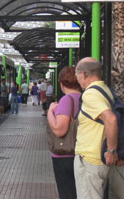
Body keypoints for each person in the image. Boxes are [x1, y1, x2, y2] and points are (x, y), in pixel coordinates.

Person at [74, 57, 121, 199]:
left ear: (83, 74)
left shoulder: (91, 94)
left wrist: (111, 151)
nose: (77, 80)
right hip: (97, 159)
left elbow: (111, 119)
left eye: (77, 75)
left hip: (91, 160)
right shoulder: (105, 90)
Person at [47, 67, 81, 199]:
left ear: (62, 84)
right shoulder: (84, 98)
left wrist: (50, 112)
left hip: (65, 154)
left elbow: (59, 129)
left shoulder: (67, 100)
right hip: (80, 151)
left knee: (67, 192)